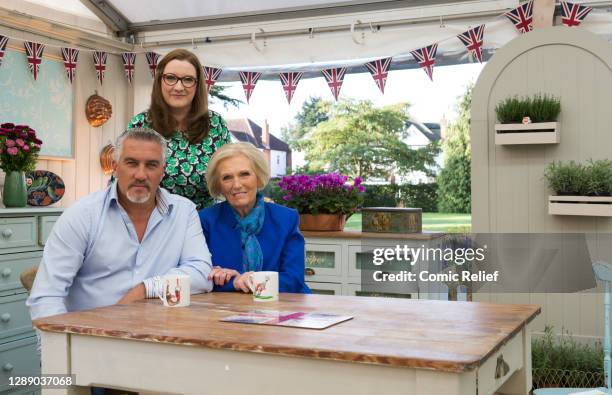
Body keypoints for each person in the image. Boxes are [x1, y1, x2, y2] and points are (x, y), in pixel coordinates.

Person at [27, 128, 213, 321]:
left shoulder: (184, 212)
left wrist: (146, 289)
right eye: (131, 163)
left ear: (163, 170)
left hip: (160, 339)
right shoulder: (82, 215)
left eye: (151, 165)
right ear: (115, 167)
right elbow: (47, 297)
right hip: (93, 338)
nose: (141, 175)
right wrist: (62, 348)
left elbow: (201, 273)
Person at [199, 142, 310, 294]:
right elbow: (199, 278)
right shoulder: (205, 221)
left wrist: (252, 280)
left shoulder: (286, 219)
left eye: (244, 174)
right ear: (218, 185)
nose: (237, 185)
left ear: (258, 177)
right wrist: (234, 282)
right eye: (227, 178)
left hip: (284, 306)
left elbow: (294, 279)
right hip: (227, 308)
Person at [127, 48, 231, 210]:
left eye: (188, 80)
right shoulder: (141, 125)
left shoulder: (216, 125)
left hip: (203, 223)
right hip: (152, 222)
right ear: (159, 81)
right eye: (170, 78)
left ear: (198, 86)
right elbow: (123, 178)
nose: (179, 87)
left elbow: (229, 177)